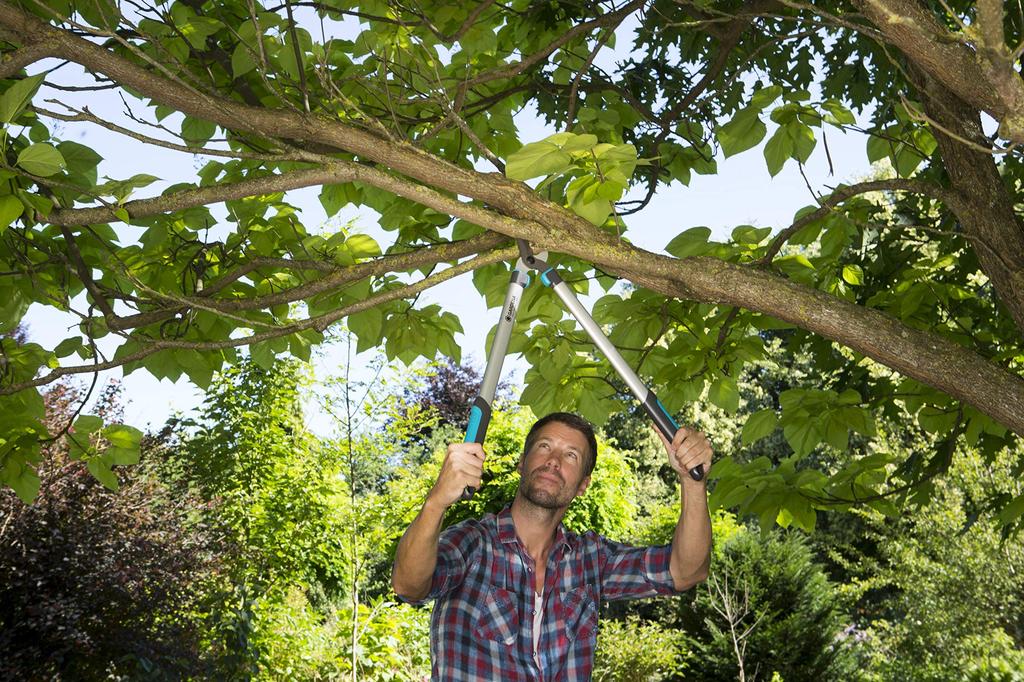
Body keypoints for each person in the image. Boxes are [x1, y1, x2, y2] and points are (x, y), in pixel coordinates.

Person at [391, 411, 713, 681]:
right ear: (522, 463)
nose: (554, 461)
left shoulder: (590, 559)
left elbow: (686, 571)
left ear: (583, 485)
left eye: (571, 455)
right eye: (544, 446)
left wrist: (692, 482)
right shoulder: (473, 543)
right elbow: (408, 584)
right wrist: (436, 501)